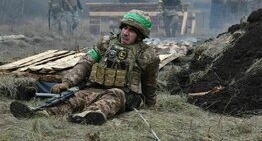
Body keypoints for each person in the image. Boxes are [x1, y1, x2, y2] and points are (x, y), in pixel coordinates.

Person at [11, 9, 160, 125]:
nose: (125, 33)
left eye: (131, 30)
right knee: (75, 98)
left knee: (114, 95)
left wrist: (151, 107)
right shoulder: (106, 43)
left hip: (124, 96)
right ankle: (41, 113)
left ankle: (88, 116)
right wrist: (67, 82)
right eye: (125, 28)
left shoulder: (147, 55)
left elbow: (150, 84)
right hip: (94, 89)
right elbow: (85, 62)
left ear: (140, 35)